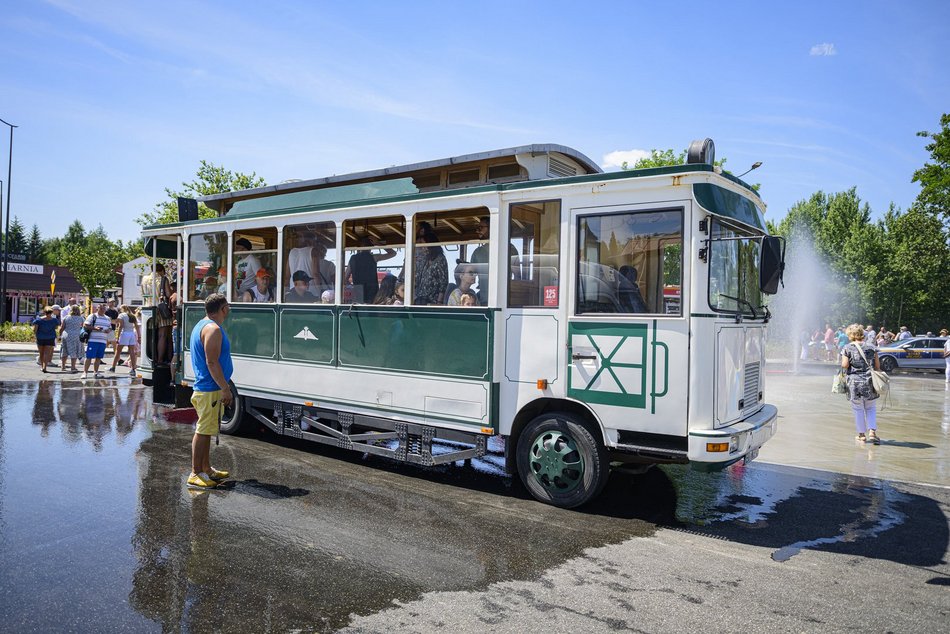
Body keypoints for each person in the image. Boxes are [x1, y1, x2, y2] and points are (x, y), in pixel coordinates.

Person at [187, 293, 233, 490]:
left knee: (207, 430)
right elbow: (212, 362)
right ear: (223, 309)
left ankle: (206, 468)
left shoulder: (203, 325)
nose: (229, 310)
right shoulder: (213, 329)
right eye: (228, 307)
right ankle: (196, 473)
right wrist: (225, 388)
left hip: (208, 387)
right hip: (209, 388)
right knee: (203, 431)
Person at [841, 323, 882, 444]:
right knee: (871, 408)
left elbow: (844, 365)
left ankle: (861, 435)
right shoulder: (871, 347)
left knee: (858, 408)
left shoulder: (847, 348)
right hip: (870, 382)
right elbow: (878, 366)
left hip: (855, 383)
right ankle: (872, 432)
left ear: (851, 335)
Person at [470, 216, 519, 305]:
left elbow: (517, 276)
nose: (477, 231)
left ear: (492, 228)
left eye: (480, 228)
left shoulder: (510, 249)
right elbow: (469, 275)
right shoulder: (477, 252)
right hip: (485, 301)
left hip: (505, 302)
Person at [345, 236, 396, 303]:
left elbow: (345, 278)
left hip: (358, 292)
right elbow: (393, 253)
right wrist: (378, 243)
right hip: (372, 293)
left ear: (360, 245)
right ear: (371, 246)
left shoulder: (353, 259)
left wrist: (353, 287)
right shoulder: (374, 257)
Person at [412, 221, 448, 305]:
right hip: (420, 299)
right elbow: (417, 278)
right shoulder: (424, 259)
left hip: (433, 301)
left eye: (424, 245)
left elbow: (443, 283)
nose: (422, 248)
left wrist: (439, 302)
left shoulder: (440, 259)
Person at [82, 303, 113, 380]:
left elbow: (110, 328)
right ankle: (85, 372)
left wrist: (108, 330)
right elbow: (85, 325)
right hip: (93, 340)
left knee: (98, 357)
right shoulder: (92, 316)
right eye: (101, 308)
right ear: (97, 309)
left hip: (102, 341)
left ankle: (95, 372)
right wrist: (95, 328)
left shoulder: (107, 318)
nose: (102, 310)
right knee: (89, 357)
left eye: (104, 309)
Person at [109, 305, 139, 376]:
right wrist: (139, 336)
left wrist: (117, 337)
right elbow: (136, 326)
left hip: (124, 334)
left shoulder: (122, 315)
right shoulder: (132, 315)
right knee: (131, 352)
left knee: (118, 351)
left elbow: (120, 326)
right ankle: (133, 369)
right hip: (131, 334)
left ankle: (113, 367)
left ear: (122, 309)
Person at [32, 307, 60, 373]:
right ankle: (45, 367)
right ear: (51, 312)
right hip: (50, 338)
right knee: (47, 353)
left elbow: (35, 330)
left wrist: (35, 334)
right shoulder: (54, 320)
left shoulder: (38, 320)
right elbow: (56, 327)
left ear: (44, 312)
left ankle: (42, 367)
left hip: (40, 338)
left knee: (41, 353)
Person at [59, 304, 85, 373]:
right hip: (76, 335)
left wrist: (60, 335)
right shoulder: (81, 318)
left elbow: (62, 328)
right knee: (74, 351)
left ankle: (63, 366)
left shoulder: (66, 317)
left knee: (65, 350)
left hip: (66, 335)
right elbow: (83, 327)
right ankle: (73, 367)